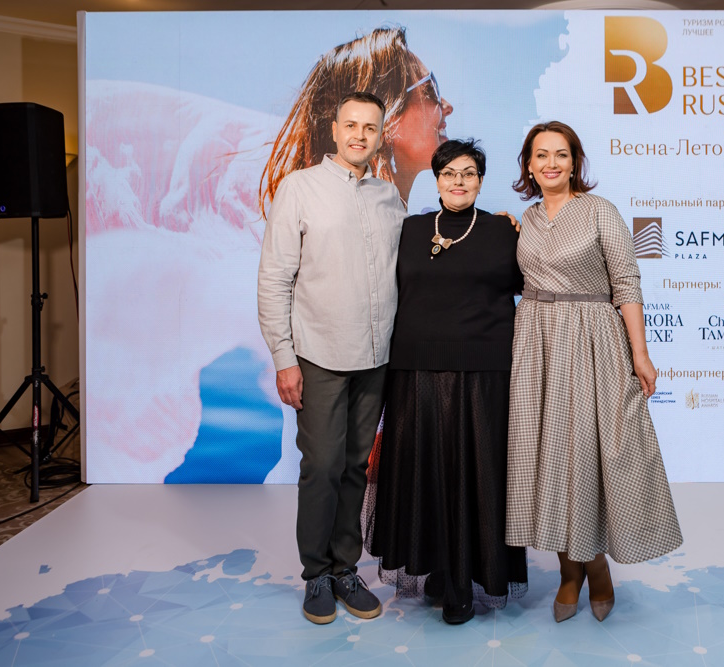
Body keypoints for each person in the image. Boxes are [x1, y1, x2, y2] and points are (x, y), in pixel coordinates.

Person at [505, 121, 683, 623]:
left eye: (561, 154)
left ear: (574, 162)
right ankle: (569, 570)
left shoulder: (600, 211)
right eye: (541, 155)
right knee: (547, 456)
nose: (551, 163)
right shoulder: (525, 219)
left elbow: (626, 282)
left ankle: (595, 565)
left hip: (592, 341)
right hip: (536, 344)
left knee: (588, 453)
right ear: (528, 165)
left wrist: (640, 353)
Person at [366, 139, 528, 624]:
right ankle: (437, 566)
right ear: (436, 180)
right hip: (415, 369)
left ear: (480, 181)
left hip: (484, 371)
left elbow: (533, 288)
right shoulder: (410, 229)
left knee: (476, 474)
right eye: (449, 173)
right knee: (425, 472)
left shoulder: (504, 231)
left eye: (469, 173)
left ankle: (464, 582)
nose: (459, 181)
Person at [257, 91, 404, 625]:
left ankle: (345, 569)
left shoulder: (390, 197)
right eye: (351, 125)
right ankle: (316, 574)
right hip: (318, 354)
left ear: (381, 135)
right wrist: (284, 358)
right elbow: (274, 280)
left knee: (355, 468)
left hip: (376, 357)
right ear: (334, 129)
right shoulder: (299, 188)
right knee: (321, 467)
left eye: (370, 127)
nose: (360, 135)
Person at [260, 26, 453, 214]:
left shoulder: (398, 218)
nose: (447, 106)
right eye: (430, 89)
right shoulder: (334, 215)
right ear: (383, 114)